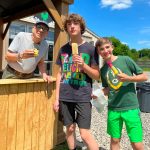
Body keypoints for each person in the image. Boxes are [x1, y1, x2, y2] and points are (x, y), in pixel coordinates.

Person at [53, 14, 99, 150]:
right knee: (70, 128)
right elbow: (60, 74)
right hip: (65, 96)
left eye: (75, 24)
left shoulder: (91, 49)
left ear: (81, 27)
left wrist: (84, 66)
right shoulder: (63, 49)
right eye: (69, 24)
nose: (72, 26)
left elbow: (97, 76)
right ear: (66, 28)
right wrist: (56, 99)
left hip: (83, 96)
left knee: (85, 134)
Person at [95, 37, 148, 150]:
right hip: (113, 109)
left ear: (112, 47)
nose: (105, 51)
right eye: (101, 49)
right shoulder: (103, 69)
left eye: (107, 47)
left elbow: (143, 77)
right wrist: (98, 93)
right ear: (99, 52)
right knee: (114, 140)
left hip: (131, 108)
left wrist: (128, 78)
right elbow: (108, 88)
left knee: (136, 143)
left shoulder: (125, 60)